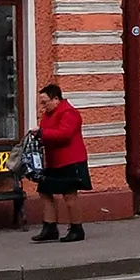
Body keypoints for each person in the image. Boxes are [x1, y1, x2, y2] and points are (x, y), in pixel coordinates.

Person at [32, 83, 90, 243]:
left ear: (56, 99)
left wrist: (42, 133)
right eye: (41, 103)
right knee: (45, 191)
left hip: (70, 160)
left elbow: (64, 134)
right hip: (54, 161)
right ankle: (49, 226)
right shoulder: (48, 115)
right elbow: (49, 134)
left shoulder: (69, 113)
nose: (42, 107)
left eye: (45, 102)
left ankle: (77, 228)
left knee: (69, 195)